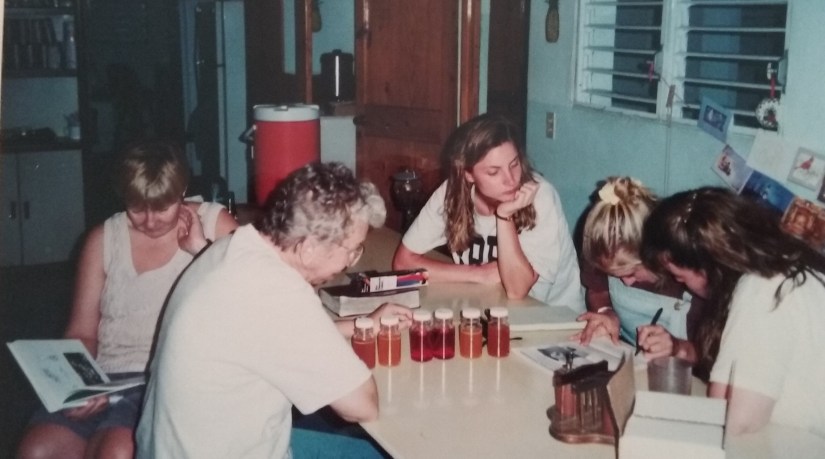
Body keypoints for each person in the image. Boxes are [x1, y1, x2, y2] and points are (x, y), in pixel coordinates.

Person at [136, 162, 413, 458]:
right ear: (308, 248)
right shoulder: (277, 292)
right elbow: (362, 406)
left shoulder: (235, 248)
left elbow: (272, 338)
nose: (351, 263)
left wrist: (363, 324)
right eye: (353, 250)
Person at [16, 141, 238, 459]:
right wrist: (78, 386)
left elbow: (252, 300)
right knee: (36, 450)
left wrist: (201, 251)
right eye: (136, 208)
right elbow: (81, 331)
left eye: (162, 207)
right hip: (104, 377)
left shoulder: (214, 223)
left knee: (113, 452)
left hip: (169, 380)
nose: (149, 221)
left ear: (183, 191)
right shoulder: (103, 239)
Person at [641, 187, 825, 436]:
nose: (685, 286)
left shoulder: (763, 289)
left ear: (708, 266)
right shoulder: (789, 265)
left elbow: (736, 421)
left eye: (680, 277)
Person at [392, 114, 583, 309]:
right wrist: (478, 274)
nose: (510, 180)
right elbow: (403, 264)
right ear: (468, 174)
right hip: (487, 305)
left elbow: (517, 291)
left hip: (554, 321)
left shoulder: (540, 197)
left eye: (514, 164)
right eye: (494, 172)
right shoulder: (452, 193)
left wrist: (504, 215)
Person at [575, 177, 704, 364]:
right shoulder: (605, 249)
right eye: (614, 275)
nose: (626, 283)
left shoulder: (693, 277)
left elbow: (718, 355)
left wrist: (677, 347)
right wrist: (606, 311)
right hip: (631, 360)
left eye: (631, 273)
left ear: (658, 254)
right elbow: (597, 288)